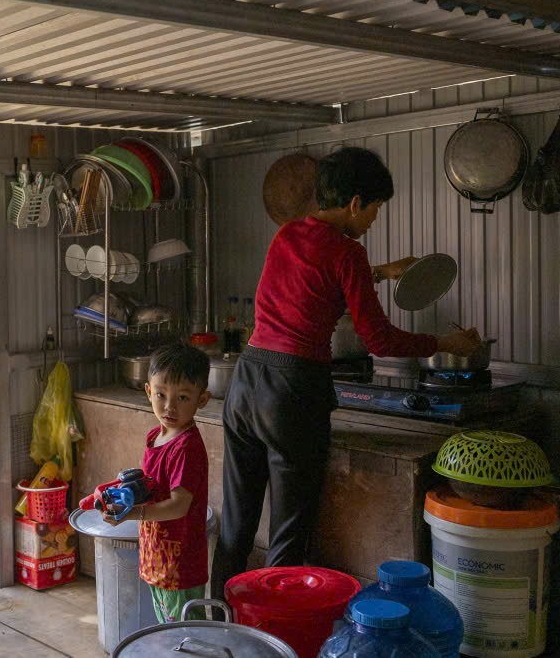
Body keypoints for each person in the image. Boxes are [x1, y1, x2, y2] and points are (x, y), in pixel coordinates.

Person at [210, 146, 481, 598]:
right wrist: (445, 343)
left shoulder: (288, 235)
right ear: (356, 203)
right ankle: (279, 636)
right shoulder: (348, 254)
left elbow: (318, 275)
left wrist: (384, 271)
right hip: (292, 393)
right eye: (375, 208)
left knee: (236, 525)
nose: (375, 219)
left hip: (246, 382)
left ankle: (215, 625)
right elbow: (381, 341)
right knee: (288, 536)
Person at [106, 342, 211, 623]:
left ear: (202, 400)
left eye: (183, 398)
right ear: (148, 391)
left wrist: (134, 513)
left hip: (180, 565)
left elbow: (178, 506)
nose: (169, 407)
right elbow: (155, 487)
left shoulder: (186, 448)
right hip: (157, 556)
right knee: (166, 628)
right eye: (161, 394)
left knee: (187, 635)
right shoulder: (156, 436)